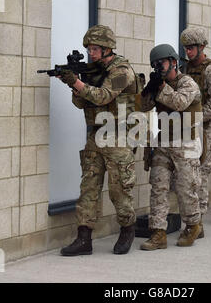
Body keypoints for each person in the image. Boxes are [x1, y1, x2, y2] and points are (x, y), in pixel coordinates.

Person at [58, 25, 139, 256]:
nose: (90, 53)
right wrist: (75, 85)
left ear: (107, 49)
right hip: (96, 136)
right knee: (88, 188)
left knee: (119, 190)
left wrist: (77, 83)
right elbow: (82, 103)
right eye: (89, 49)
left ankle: (127, 230)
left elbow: (103, 96)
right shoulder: (93, 70)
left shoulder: (122, 70)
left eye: (94, 49)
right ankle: (84, 239)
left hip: (118, 137)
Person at [139, 44, 203, 250]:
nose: (159, 67)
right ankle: (158, 233)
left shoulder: (188, 83)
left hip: (186, 142)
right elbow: (142, 107)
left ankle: (193, 225)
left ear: (173, 62)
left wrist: (160, 88)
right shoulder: (160, 83)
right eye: (155, 64)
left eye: (162, 63)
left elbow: (180, 102)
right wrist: (148, 90)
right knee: (158, 187)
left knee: (186, 188)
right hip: (163, 141)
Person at [180, 27, 211, 238]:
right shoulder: (185, 69)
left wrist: (196, 118)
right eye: (186, 48)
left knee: (203, 175)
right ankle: (192, 220)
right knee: (189, 175)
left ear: (202, 47)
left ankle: (198, 223)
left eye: (191, 48)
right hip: (189, 128)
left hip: (207, 129)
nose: (188, 52)